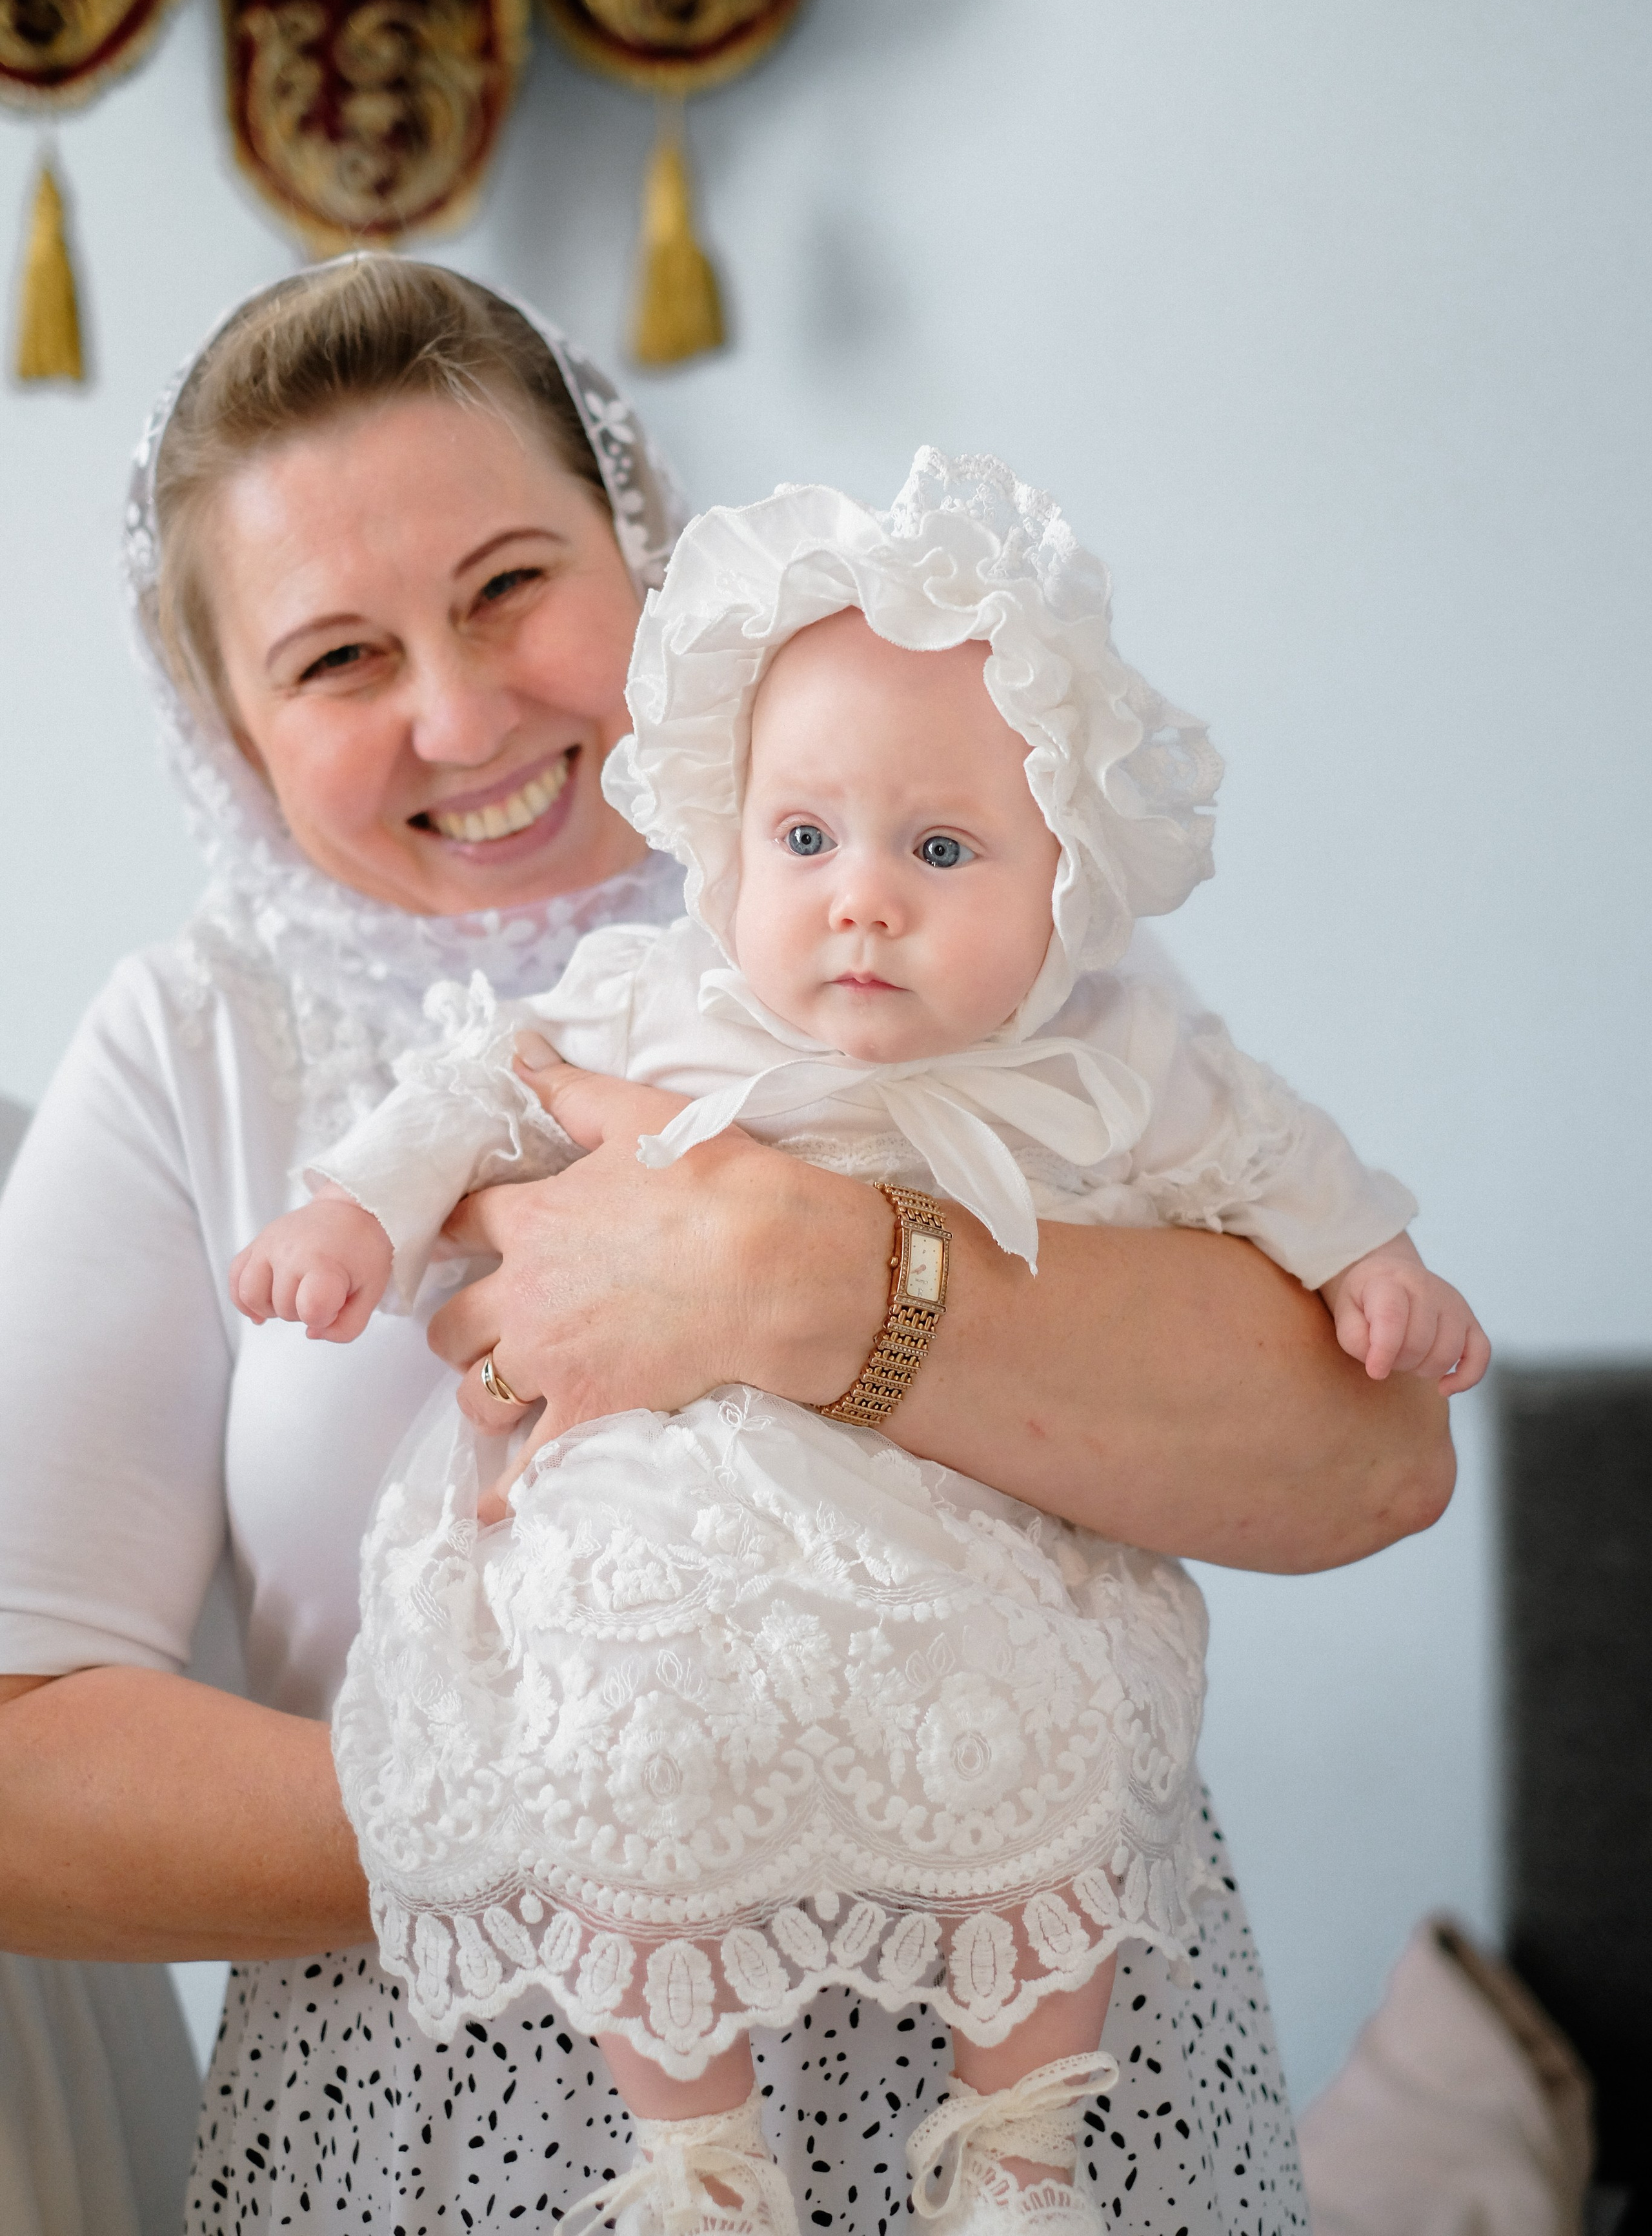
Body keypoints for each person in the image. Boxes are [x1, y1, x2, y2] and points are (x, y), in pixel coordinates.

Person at [0, 258, 1458, 2235]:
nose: (457, 710)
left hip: (1042, 2050)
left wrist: (806, 1279)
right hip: (477, 2119)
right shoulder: (195, 1049)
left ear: (651, 554)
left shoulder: (975, 928)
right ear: (228, 729)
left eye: (512, 585)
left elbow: (1375, 1457)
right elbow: (17, 1765)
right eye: (336, 659)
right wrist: (640, 1791)